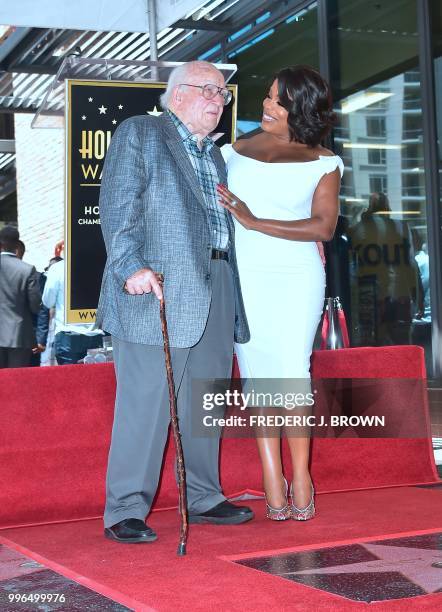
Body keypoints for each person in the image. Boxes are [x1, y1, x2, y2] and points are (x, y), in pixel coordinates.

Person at [96, 60, 252, 544]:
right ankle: (125, 508)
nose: (218, 99)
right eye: (208, 89)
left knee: (205, 399)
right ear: (177, 94)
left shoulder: (215, 155)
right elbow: (117, 205)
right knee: (146, 401)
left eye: (223, 93)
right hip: (157, 285)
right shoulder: (142, 132)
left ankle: (204, 497)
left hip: (218, 278)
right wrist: (129, 267)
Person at [217, 65, 343, 521]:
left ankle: (302, 474)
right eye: (268, 97)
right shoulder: (231, 151)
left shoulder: (325, 161)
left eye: (279, 101)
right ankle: (272, 474)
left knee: (291, 371)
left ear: (301, 110)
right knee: (256, 372)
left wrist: (253, 220)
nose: (267, 106)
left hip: (296, 275)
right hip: (243, 274)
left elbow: (323, 227)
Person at [42, 255, 104, 365]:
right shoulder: (100, 264)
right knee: (97, 379)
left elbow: (48, 301)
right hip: (96, 333)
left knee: (71, 380)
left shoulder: (58, 268)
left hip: (68, 335)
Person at [0, 225, 42, 368]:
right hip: (19, 335)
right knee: (16, 384)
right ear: (17, 245)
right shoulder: (27, 269)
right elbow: (35, 305)